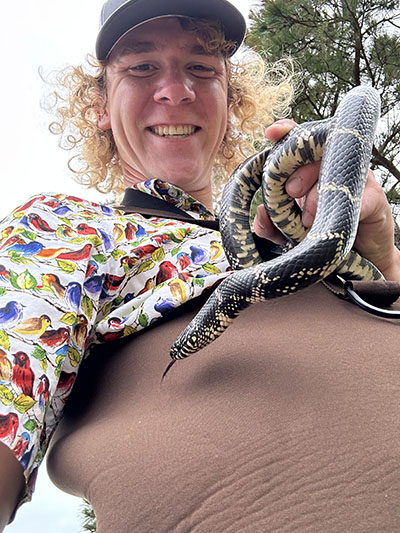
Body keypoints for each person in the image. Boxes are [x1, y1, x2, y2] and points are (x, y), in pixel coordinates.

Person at [1, 0, 399, 530]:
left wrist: (380, 257)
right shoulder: (62, 228)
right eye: (141, 67)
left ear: (230, 100)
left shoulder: (298, 221)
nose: (175, 90)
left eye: (201, 68)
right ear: (98, 105)